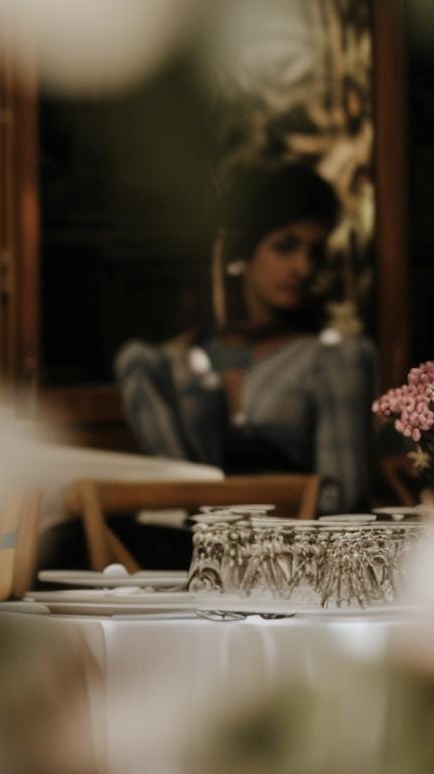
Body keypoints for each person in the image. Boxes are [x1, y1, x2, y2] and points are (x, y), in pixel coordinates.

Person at [115, 154, 375, 513]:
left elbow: (342, 498)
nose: (303, 267)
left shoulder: (328, 357)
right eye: (285, 246)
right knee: (137, 360)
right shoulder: (197, 356)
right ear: (246, 250)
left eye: (315, 252)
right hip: (196, 534)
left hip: (296, 544)